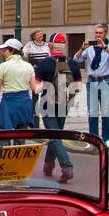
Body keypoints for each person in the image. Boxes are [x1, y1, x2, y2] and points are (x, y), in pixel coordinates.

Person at [75, 25, 109, 148]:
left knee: (106, 112)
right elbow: (76, 60)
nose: (97, 35)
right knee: (93, 112)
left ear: (106, 34)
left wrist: (105, 47)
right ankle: (93, 138)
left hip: (105, 81)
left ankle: (107, 138)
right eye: (96, 33)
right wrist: (82, 48)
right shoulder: (90, 47)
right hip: (92, 82)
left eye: (100, 33)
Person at [31, 54, 74, 182]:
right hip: (64, 104)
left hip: (47, 103)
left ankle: (67, 166)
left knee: (54, 135)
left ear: (50, 46)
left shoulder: (44, 63)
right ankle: (48, 166)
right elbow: (78, 86)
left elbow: (37, 87)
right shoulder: (72, 63)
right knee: (56, 134)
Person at [0, 39, 35, 131]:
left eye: (5, 50)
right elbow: (34, 87)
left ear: (12, 51)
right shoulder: (28, 66)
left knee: (4, 136)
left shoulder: (4, 66)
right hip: (24, 103)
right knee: (21, 137)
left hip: (9, 103)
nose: (3, 53)